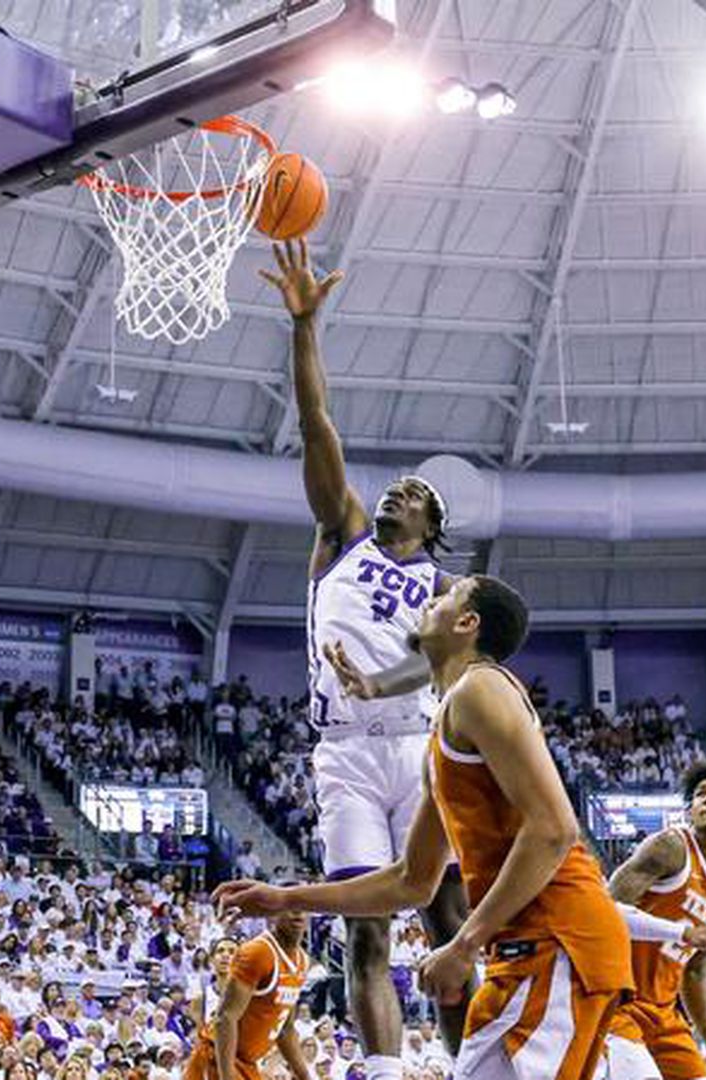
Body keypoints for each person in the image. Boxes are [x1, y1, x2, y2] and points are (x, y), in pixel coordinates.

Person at [217, 575, 633, 1080]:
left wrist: (463, 944)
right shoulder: (444, 728)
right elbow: (411, 881)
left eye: (442, 598)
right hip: (531, 949)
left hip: (560, 942)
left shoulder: (482, 686)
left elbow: (554, 830)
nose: (427, 602)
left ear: (466, 623)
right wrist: (286, 900)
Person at [264, 238, 472, 1074]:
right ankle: (384, 1072)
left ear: (433, 526)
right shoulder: (341, 537)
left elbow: (436, 668)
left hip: (417, 746)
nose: (398, 491)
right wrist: (306, 328)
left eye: (416, 495)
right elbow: (318, 424)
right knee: (366, 926)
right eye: (396, 486)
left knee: (450, 917)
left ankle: (470, 1066)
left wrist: (378, 676)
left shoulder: (451, 589)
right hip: (346, 751)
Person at [604, 763, 706, 1080]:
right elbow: (602, 913)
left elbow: (696, 970)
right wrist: (684, 933)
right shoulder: (670, 848)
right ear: (689, 812)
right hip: (617, 1001)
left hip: (664, 1012)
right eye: (700, 794)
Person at [185, 910, 311, 1080]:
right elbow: (225, 1018)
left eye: (304, 906)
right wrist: (227, 1076)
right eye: (290, 906)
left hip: (247, 1063)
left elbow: (285, 1029)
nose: (298, 913)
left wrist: (305, 1076)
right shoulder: (259, 952)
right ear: (273, 913)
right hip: (220, 1059)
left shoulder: (302, 960)